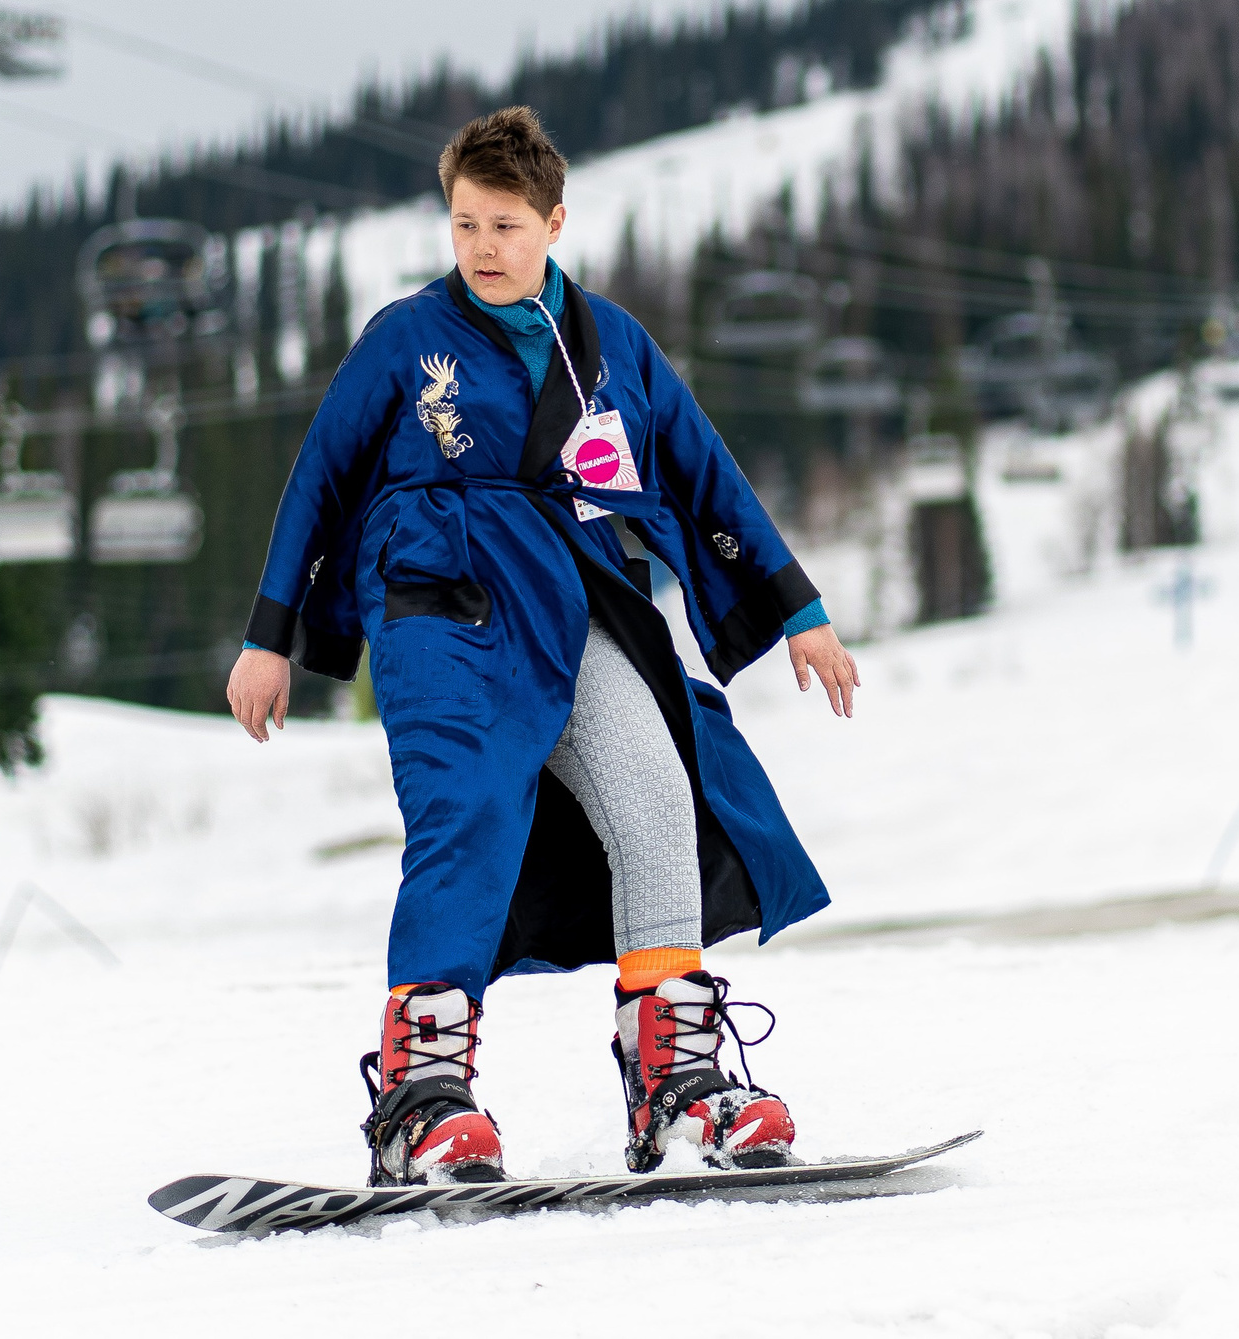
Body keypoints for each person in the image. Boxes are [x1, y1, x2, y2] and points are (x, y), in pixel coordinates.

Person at [228, 106, 860, 1187]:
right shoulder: (403, 338)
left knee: (658, 789)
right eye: (464, 223)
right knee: (466, 807)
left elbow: (702, 469)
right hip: (445, 605)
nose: (481, 246)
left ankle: (678, 1086)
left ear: (555, 222)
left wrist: (796, 607)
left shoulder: (612, 346)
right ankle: (422, 1101)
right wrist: (270, 636)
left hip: (581, 597)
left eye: (506, 224)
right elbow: (321, 478)